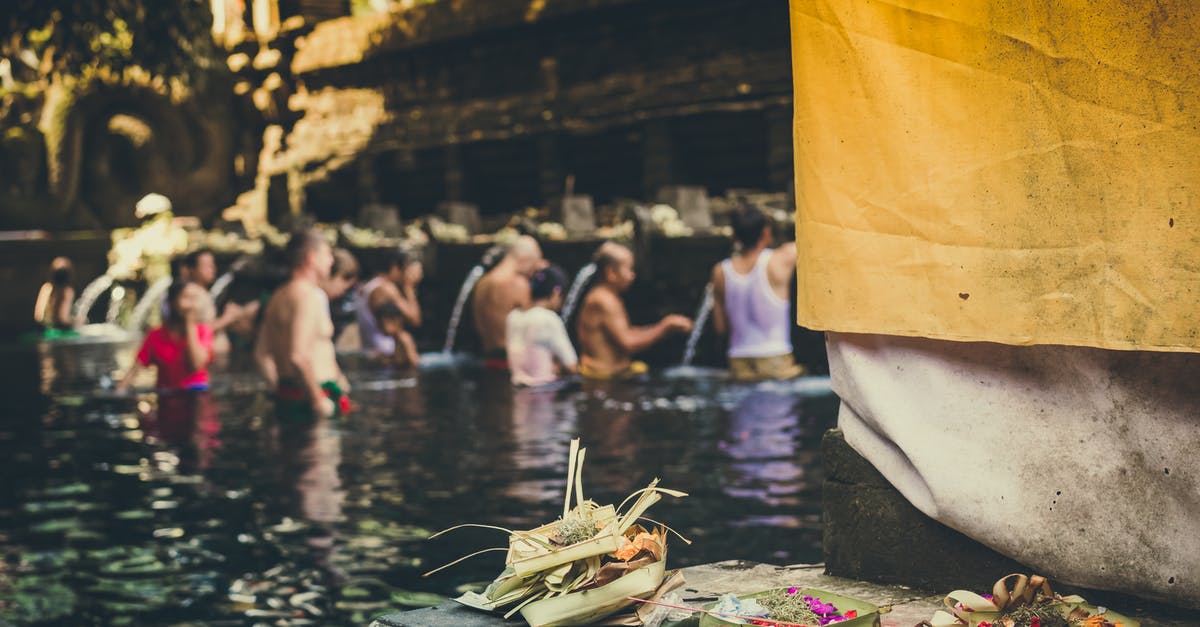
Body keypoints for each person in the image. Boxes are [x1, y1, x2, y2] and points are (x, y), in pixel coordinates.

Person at [254, 230, 351, 421]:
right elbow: (298, 356)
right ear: (311, 258)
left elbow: (260, 354)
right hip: (314, 400)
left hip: (288, 396)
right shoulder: (308, 296)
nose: (331, 260)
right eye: (327, 254)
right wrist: (317, 400)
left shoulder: (277, 297)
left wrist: (281, 390)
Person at [710, 205, 805, 381]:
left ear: (734, 235)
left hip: (738, 361)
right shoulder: (779, 260)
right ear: (766, 233)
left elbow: (720, 327)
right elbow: (811, 240)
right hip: (775, 358)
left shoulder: (720, 271)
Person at [575, 241, 692, 379]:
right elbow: (628, 343)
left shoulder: (608, 296)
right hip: (603, 378)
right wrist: (665, 326)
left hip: (612, 375)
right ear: (611, 272)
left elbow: (624, 333)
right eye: (629, 269)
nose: (632, 275)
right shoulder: (603, 300)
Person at [117, 280, 214, 392]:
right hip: (167, 398)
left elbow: (197, 365)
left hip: (197, 398)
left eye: (195, 299)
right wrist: (119, 392)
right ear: (172, 302)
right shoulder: (155, 336)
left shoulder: (203, 331)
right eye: (187, 298)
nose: (192, 305)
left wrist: (190, 325)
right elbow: (134, 370)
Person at [470, 235, 545, 368]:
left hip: (487, 358)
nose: (533, 272)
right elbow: (533, 325)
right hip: (510, 362)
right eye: (533, 266)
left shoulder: (483, 281)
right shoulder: (517, 283)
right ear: (524, 259)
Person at [506, 264, 578, 387]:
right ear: (557, 292)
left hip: (517, 388)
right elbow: (572, 366)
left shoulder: (513, 316)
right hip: (543, 391)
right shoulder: (548, 318)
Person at [355, 248, 422, 359]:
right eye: (405, 268)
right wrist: (409, 287)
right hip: (385, 353)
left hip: (369, 351)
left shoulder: (366, 286)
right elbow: (415, 319)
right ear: (395, 268)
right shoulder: (386, 288)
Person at [34, 257, 76, 331]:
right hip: (60, 333)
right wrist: (77, 321)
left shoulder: (46, 288)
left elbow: (38, 316)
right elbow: (63, 319)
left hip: (46, 330)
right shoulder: (67, 291)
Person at [374, 302, 420, 369]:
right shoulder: (396, 339)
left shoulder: (404, 339)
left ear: (396, 321)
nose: (379, 327)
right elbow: (399, 357)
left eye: (381, 324)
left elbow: (414, 361)